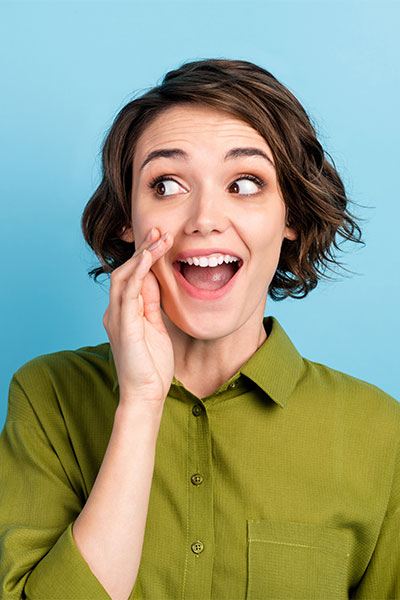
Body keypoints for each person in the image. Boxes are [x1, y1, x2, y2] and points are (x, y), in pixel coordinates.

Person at [0, 58, 399, 600]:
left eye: (244, 183)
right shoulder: (49, 396)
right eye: (165, 185)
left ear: (291, 216)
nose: (205, 218)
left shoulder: (381, 433)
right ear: (127, 218)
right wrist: (140, 402)